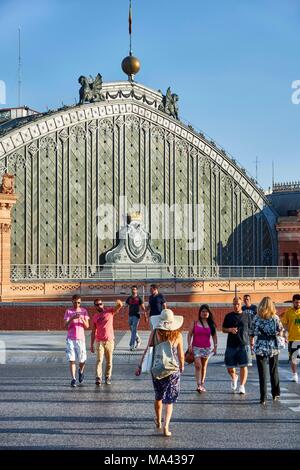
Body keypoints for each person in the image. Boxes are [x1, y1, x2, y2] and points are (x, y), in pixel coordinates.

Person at [136, 309, 184, 437]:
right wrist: (182, 366)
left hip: (157, 368)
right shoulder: (178, 335)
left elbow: (148, 349)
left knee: (158, 396)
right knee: (169, 400)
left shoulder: (156, 332)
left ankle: (158, 421)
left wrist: (140, 365)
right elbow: (180, 355)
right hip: (173, 369)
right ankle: (166, 426)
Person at [251, 296, 283, 405]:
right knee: (274, 370)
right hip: (273, 345)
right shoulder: (275, 318)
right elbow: (280, 330)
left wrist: (252, 342)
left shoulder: (256, 318)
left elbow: (252, 332)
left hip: (260, 345)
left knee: (262, 373)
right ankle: (275, 393)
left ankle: (263, 397)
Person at [222, 297, 253, 394]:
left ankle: (242, 386)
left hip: (244, 344)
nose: (236, 306)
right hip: (231, 344)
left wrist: (252, 342)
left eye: (238, 304)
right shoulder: (228, 316)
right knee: (229, 366)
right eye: (234, 304)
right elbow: (223, 329)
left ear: (241, 304)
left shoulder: (247, 316)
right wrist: (229, 329)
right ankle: (234, 377)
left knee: (244, 366)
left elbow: (251, 330)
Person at [90, 298, 123, 386]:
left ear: (103, 304)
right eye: (97, 305)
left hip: (109, 340)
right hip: (99, 341)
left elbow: (119, 306)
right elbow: (93, 331)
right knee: (99, 360)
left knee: (109, 361)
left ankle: (108, 377)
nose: (99, 306)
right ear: (95, 307)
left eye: (100, 304)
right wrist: (91, 344)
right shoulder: (95, 317)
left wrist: (119, 303)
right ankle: (98, 377)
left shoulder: (110, 311)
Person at [187, 304, 217, 393]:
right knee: (198, 365)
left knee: (204, 366)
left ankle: (202, 383)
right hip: (195, 347)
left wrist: (215, 347)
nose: (204, 313)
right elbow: (189, 334)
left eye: (206, 311)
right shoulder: (195, 322)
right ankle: (199, 384)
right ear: (200, 313)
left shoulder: (211, 324)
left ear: (209, 313)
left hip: (207, 348)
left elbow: (214, 336)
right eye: (203, 311)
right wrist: (189, 345)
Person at [64, 294, 89, 387]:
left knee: (82, 360)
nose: (77, 304)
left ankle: (81, 371)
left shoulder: (84, 311)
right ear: (72, 302)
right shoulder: (68, 311)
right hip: (70, 338)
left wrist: (82, 318)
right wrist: (72, 318)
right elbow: (65, 326)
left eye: (79, 302)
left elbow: (87, 326)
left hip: (80, 338)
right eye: (75, 302)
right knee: (72, 359)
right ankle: (73, 378)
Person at [281, 293, 300, 383]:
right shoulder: (288, 312)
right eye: (296, 302)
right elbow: (284, 322)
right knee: (294, 358)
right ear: (293, 302)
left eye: (299, 302)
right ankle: (294, 374)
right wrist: (285, 332)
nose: (298, 304)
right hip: (293, 339)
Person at [123, 286, 146, 351]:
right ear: (131, 290)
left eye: (134, 289)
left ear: (136, 290)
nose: (133, 290)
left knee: (134, 330)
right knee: (132, 329)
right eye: (132, 289)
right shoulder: (129, 298)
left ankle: (132, 345)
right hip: (130, 315)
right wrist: (122, 313)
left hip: (136, 316)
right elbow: (126, 306)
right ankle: (138, 339)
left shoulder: (139, 298)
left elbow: (143, 308)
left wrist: (145, 316)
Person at [242, 294, 257, 366]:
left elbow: (257, 316)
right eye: (244, 299)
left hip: (252, 325)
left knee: (251, 337)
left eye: (247, 299)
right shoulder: (243, 308)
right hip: (245, 325)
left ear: (250, 300)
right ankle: (248, 349)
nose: (246, 300)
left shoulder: (254, 307)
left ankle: (252, 349)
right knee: (246, 338)